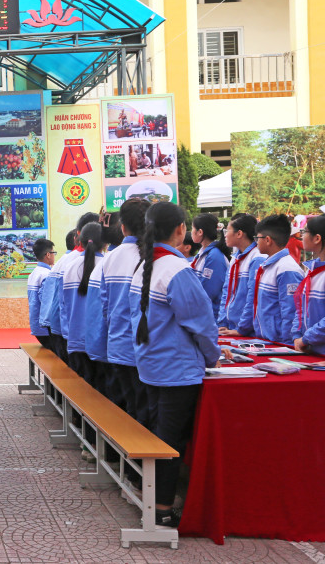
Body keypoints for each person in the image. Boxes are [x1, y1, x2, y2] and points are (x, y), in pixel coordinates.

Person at [131, 202, 220, 527]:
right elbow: (201, 323)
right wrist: (213, 357)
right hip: (176, 370)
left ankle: (150, 496)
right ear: (181, 230)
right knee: (170, 441)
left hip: (151, 365)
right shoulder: (177, 270)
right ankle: (162, 509)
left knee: (158, 434)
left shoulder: (146, 265)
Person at [91, 199, 151, 422]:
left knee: (129, 409)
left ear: (123, 227)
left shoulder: (111, 258)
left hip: (118, 346)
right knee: (146, 413)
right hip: (146, 349)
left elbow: (105, 305)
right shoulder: (156, 256)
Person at [229, 214, 304, 345]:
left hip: (280, 343)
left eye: (257, 238)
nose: (256, 242)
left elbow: (291, 312)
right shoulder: (266, 266)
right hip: (265, 339)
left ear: (268, 240)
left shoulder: (287, 269)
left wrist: (288, 344)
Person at [39, 213, 98, 365]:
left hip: (63, 330)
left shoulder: (67, 260)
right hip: (74, 334)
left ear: (78, 235)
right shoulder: (93, 261)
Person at [59, 223, 104, 385]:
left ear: (80, 241)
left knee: (81, 387)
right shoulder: (106, 265)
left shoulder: (69, 267)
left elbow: (63, 304)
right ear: (104, 243)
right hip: (99, 342)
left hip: (75, 339)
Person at [216, 214, 263, 333]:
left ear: (239, 234)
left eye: (227, 231)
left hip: (246, 331)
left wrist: (242, 329)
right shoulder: (235, 258)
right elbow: (226, 292)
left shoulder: (256, 258)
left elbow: (252, 298)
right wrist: (223, 322)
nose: (225, 235)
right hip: (231, 328)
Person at [294, 215, 325, 354]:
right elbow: (301, 308)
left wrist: (306, 339)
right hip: (311, 351)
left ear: (317, 238)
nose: (301, 236)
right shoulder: (312, 270)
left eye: (304, 232)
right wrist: (296, 335)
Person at [190, 214, 229, 319]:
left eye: (192, 228)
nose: (191, 232)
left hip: (211, 316)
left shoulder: (214, 256)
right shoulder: (203, 253)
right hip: (203, 313)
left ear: (200, 232)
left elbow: (208, 292)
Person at [27, 238, 55, 350]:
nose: (54, 256)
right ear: (48, 255)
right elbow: (47, 303)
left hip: (36, 326)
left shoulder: (34, 273)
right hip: (46, 328)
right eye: (53, 253)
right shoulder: (47, 275)